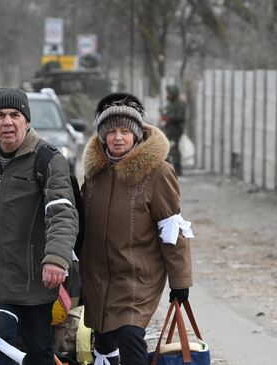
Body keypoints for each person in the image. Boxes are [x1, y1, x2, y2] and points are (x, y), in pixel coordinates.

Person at [81, 93, 194, 365]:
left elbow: (172, 229)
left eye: (125, 131)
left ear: (137, 135)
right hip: (98, 277)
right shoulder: (94, 175)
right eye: (111, 132)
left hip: (137, 277)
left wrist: (180, 282)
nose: (118, 138)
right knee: (104, 342)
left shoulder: (158, 173)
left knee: (130, 335)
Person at [0, 88, 78, 365]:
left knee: (38, 353)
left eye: (15, 115)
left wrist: (55, 259)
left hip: (34, 280)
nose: (8, 122)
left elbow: (63, 214)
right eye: (0, 115)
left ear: (27, 121)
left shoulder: (49, 160)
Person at [161, 85, 186, 175]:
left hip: (175, 131)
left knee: (174, 150)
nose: (168, 95)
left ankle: (177, 168)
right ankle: (167, 168)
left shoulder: (180, 104)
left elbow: (180, 117)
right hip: (169, 130)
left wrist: (169, 118)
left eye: (169, 93)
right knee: (167, 149)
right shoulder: (171, 103)